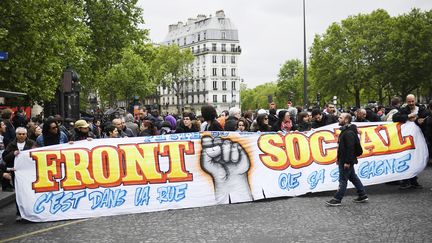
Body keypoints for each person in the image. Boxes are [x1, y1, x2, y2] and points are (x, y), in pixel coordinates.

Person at [326, 113, 368, 206]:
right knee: (353, 177)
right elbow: (342, 147)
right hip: (344, 159)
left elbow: (350, 148)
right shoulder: (346, 131)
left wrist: (347, 162)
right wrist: (338, 158)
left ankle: (337, 199)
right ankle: (362, 195)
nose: (338, 118)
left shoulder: (348, 132)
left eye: (341, 118)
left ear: (346, 120)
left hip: (346, 160)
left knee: (343, 179)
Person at [393, 94, 427, 189]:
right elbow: (395, 118)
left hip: (419, 139)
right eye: (409, 101)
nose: (411, 103)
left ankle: (413, 181)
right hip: (406, 139)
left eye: (412, 101)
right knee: (406, 158)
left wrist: (420, 121)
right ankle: (406, 181)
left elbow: (427, 118)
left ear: (415, 100)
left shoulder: (421, 109)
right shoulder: (404, 109)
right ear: (406, 101)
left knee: (415, 158)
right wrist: (408, 116)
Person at [2, 127, 36, 220]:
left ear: (26, 135)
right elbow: (5, 157)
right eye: (19, 134)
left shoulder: (32, 143)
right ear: (16, 135)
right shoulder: (11, 145)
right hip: (17, 173)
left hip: (29, 173)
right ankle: (19, 213)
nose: (21, 136)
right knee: (19, 192)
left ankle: (31, 211)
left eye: (23, 134)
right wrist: (13, 153)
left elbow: (37, 155)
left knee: (29, 191)